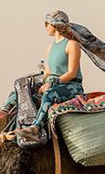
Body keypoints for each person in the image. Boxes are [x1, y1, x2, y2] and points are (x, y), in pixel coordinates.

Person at [13, 11, 87, 142]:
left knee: (50, 95)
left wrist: (53, 83)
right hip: (52, 83)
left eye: (47, 23)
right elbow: (48, 71)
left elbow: (72, 72)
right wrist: (39, 83)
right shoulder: (51, 47)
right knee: (22, 94)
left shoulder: (72, 44)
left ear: (55, 25)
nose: (45, 26)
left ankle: (35, 129)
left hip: (71, 86)